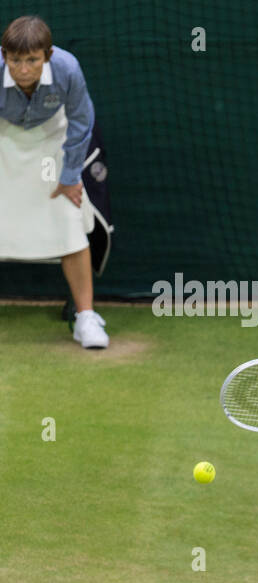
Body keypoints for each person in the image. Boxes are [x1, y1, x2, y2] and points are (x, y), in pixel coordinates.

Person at [0, 15, 107, 348]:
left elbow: (80, 123)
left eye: (31, 60)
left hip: (51, 140)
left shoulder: (67, 69)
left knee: (68, 219)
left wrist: (70, 176)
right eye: (14, 60)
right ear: (4, 55)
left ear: (46, 56)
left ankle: (86, 318)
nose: (23, 68)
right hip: (3, 136)